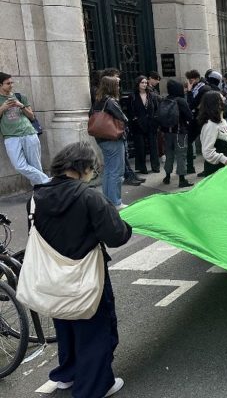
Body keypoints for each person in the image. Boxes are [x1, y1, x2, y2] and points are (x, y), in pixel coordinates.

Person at [28, 141, 132, 398]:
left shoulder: (36, 197)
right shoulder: (90, 197)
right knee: (95, 328)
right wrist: (126, 225)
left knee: (65, 323)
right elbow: (116, 236)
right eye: (92, 169)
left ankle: (67, 373)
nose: (92, 174)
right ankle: (95, 386)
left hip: (52, 277)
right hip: (86, 274)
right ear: (83, 168)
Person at [0, 72, 50, 186]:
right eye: (8, 83)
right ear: (0, 85)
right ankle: (48, 182)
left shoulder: (19, 97)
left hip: (29, 133)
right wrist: (3, 108)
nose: (11, 85)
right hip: (11, 137)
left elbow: (32, 116)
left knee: (35, 166)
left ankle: (40, 193)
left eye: (12, 82)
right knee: (19, 165)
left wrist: (20, 105)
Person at [90, 76, 129, 209]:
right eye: (117, 85)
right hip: (113, 138)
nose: (118, 87)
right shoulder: (111, 101)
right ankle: (115, 202)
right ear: (112, 86)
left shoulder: (98, 100)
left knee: (108, 170)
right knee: (116, 171)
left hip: (102, 139)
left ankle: (107, 199)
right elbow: (123, 118)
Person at [161, 79, 194, 188]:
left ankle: (167, 176)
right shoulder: (181, 100)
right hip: (180, 131)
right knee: (181, 155)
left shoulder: (166, 99)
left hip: (167, 132)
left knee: (169, 153)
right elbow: (190, 116)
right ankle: (181, 179)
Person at [127, 76, 160, 174]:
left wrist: (155, 119)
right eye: (142, 82)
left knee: (153, 146)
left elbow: (156, 108)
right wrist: (134, 118)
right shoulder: (132, 96)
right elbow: (130, 111)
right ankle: (142, 167)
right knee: (140, 147)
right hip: (138, 125)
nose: (144, 84)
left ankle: (155, 166)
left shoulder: (151, 95)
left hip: (151, 123)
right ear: (138, 83)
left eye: (145, 83)